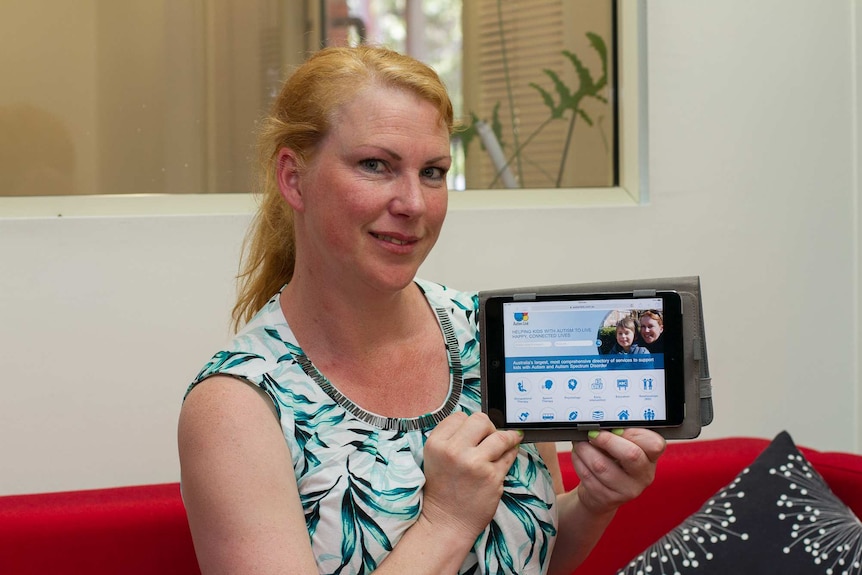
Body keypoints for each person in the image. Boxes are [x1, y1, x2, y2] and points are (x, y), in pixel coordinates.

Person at [177, 45, 665, 575]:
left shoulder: (484, 332)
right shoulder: (237, 407)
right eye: (375, 165)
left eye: (432, 172)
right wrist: (445, 522)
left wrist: (594, 502)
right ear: (293, 178)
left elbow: (532, 556)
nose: (413, 203)